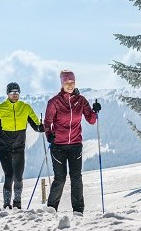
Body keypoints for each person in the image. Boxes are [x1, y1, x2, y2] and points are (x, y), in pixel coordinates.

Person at [43, 70, 101, 216]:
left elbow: (91, 120)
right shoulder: (54, 102)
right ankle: (51, 210)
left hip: (75, 144)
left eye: (72, 82)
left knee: (76, 177)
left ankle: (78, 211)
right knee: (60, 178)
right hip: (58, 146)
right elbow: (47, 122)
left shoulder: (80, 101)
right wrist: (49, 134)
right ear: (62, 84)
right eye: (67, 83)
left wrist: (95, 111)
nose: (70, 85)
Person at [0, 82, 44, 209]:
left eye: (17, 93)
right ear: (7, 94)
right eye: (12, 93)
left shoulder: (26, 108)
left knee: (18, 177)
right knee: (9, 176)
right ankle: (7, 205)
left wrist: (42, 127)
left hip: (19, 148)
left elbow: (36, 126)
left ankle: (17, 205)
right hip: (4, 148)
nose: (15, 95)